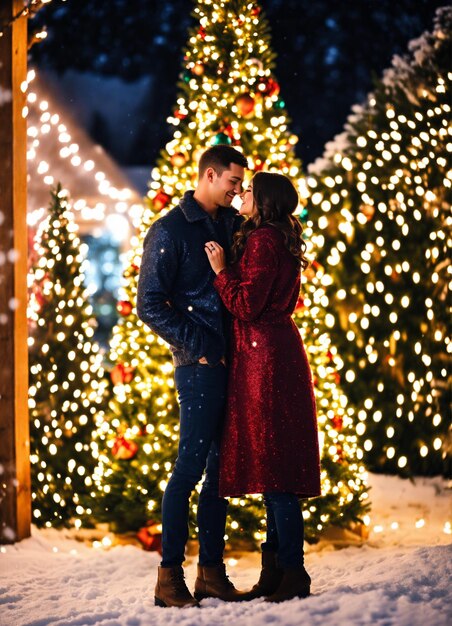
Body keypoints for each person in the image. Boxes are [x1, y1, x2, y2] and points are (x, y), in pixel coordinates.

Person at [136, 145, 250, 608]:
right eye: (233, 183)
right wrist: (200, 347)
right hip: (199, 368)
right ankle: (169, 577)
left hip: (238, 364)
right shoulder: (169, 230)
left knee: (221, 473)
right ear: (209, 175)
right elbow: (149, 304)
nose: (238, 191)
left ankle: (211, 572)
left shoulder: (233, 225)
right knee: (189, 468)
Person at [205, 171, 321, 603]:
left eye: (250, 189)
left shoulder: (262, 240)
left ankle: (292, 570)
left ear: (266, 200)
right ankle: (276, 569)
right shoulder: (280, 236)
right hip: (278, 350)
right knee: (278, 463)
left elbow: (246, 304)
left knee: (274, 469)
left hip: (264, 358)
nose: (243, 194)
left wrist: (220, 272)